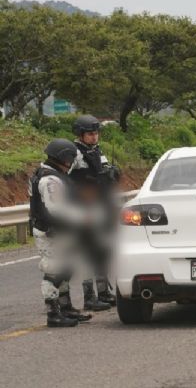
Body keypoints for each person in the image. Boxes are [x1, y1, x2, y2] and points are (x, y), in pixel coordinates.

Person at [30, 139, 92, 327]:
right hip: (51, 233)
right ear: (64, 157)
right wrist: (83, 217)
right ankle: (53, 313)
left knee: (67, 268)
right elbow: (57, 209)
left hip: (60, 231)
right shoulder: (50, 180)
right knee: (54, 271)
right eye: (71, 157)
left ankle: (66, 308)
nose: (73, 161)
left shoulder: (53, 174)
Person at [69, 115, 117, 311]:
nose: (94, 137)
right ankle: (89, 297)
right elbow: (66, 179)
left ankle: (104, 291)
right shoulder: (74, 153)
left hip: (101, 206)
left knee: (102, 251)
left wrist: (113, 174)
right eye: (90, 134)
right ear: (81, 135)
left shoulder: (97, 151)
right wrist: (88, 181)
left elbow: (104, 172)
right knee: (87, 254)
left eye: (96, 133)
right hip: (84, 208)